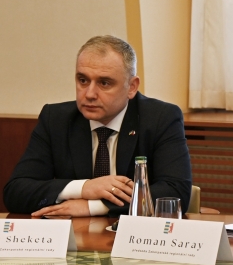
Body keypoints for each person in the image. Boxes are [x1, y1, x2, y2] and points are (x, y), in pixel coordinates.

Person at [3, 35, 192, 217]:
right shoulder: (56, 119)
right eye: (83, 80)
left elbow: (175, 193)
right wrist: (84, 188)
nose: (90, 94)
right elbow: (16, 192)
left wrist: (94, 206)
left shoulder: (161, 118)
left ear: (132, 87)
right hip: (76, 235)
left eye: (104, 83)